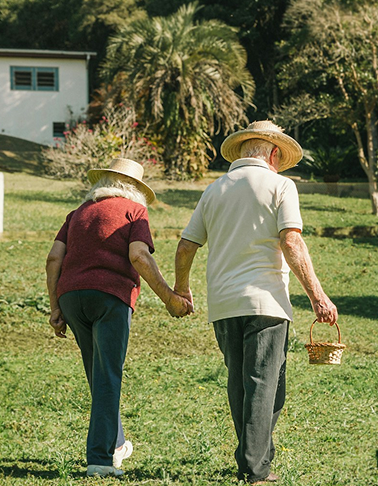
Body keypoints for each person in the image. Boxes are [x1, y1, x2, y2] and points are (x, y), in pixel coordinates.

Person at [173, 121, 338, 484]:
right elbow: (292, 243)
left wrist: (181, 290)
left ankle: (253, 456)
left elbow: (186, 246)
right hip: (266, 301)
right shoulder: (281, 185)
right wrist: (318, 297)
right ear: (274, 154)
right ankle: (254, 468)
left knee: (241, 383)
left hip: (222, 303)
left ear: (245, 150)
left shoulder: (213, 189)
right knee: (266, 385)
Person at [46, 158, 193, 478]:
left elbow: (54, 259)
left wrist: (55, 306)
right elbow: (139, 255)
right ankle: (99, 459)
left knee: (98, 375)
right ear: (135, 190)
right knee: (108, 376)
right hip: (110, 297)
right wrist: (169, 297)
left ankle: (117, 442)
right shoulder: (134, 211)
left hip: (72, 297)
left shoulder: (77, 214)